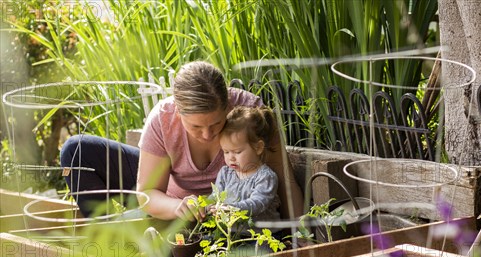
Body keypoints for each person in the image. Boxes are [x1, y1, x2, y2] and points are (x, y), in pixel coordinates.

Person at [59, 61, 303, 222]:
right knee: (77, 150)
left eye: (216, 124)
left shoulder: (248, 113)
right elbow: (146, 194)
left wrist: (303, 235)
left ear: (227, 105)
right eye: (196, 127)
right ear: (178, 112)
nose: (207, 135)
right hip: (174, 201)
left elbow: (284, 177)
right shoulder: (164, 118)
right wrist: (177, 207)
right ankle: (110, 240)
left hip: (229, 210)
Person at [210, 106, 281, 227]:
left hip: (260, 235)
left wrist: (232, 208)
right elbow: (215, 196)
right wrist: (205, 205)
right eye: (226, 152)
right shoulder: (225, 173)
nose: (231, 157)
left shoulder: (265, 177)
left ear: (258, 148)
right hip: (230, 233)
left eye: (237, 152)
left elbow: (258, 203)